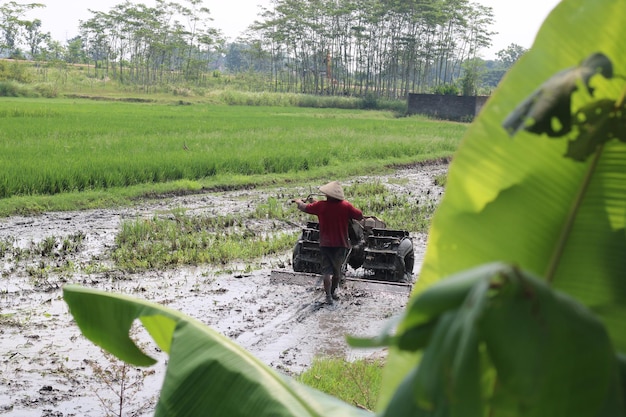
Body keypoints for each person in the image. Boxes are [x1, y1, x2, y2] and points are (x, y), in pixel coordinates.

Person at [293, 181, 363, 305]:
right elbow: (359, 215)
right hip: (341, 243)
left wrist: (299, 201)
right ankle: (333, 292)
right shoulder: (345, 206)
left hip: (325, 243)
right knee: (337, 272)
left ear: (327, 195)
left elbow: (305, 208)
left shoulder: (321, 206)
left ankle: (328, 296)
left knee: (326, 271)